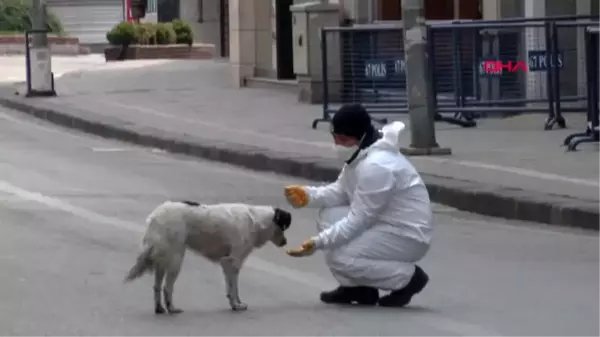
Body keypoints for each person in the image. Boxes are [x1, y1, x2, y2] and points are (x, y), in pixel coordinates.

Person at [284, 104, 433, 307]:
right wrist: (308, 195)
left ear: (360, 137)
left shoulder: (377, 166)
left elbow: (357, 221)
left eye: (343, 140)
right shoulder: (361, 154)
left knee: (340, 257)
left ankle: (407, 279)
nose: (337, 145)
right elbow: (340, 191)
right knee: (329, 214)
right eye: (335, 138)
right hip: (385, 222)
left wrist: (318, 242)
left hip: (408, 235)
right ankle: (358, 288)